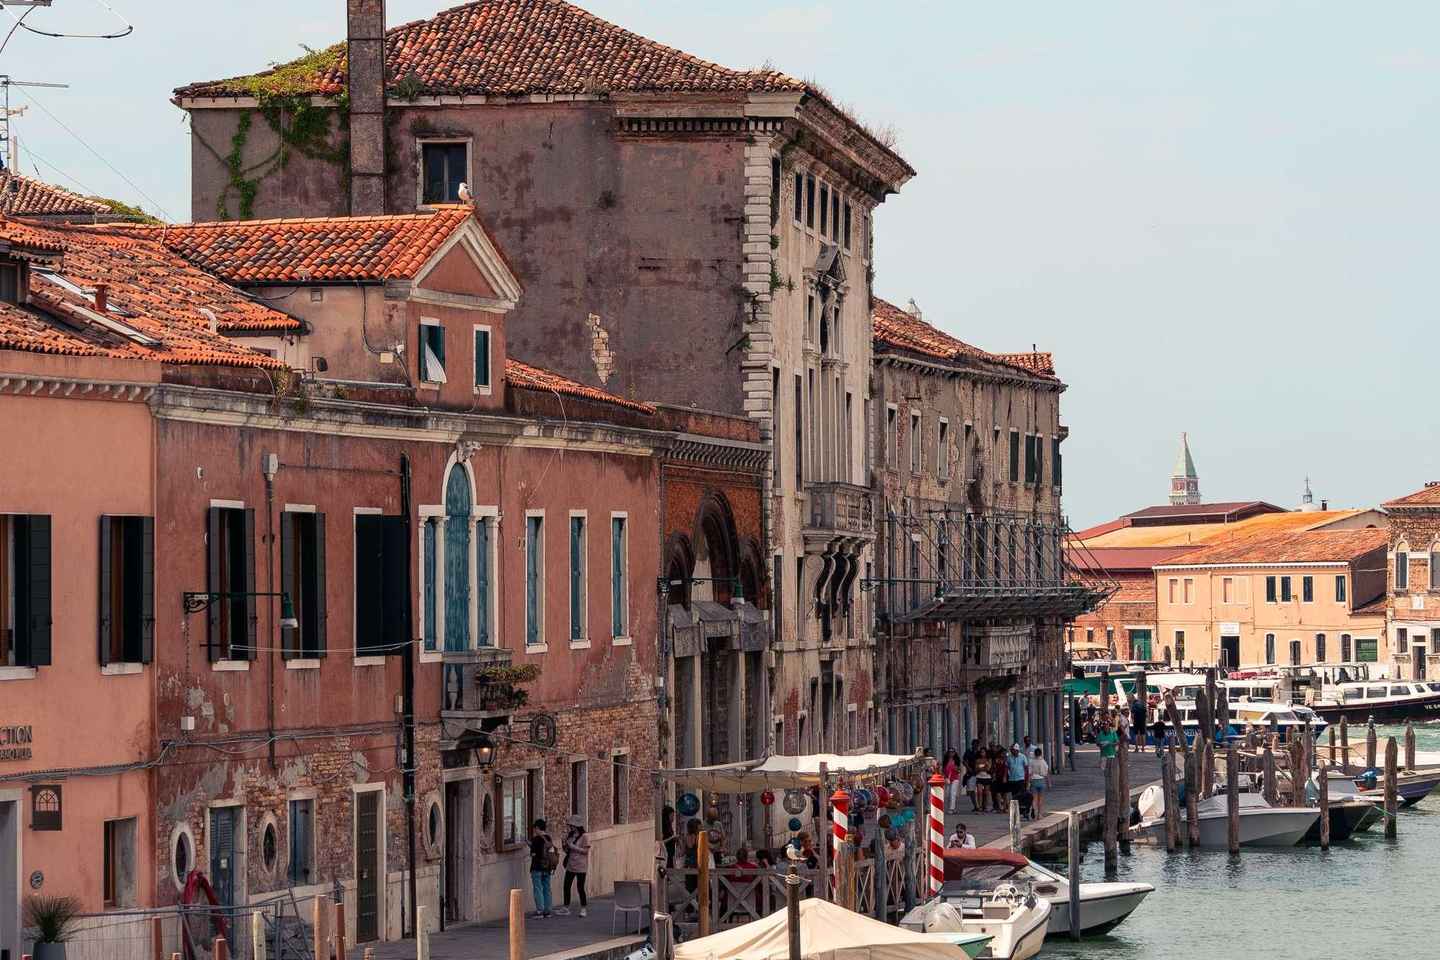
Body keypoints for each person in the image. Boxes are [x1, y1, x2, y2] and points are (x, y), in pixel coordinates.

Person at [555, 816, 590, 917]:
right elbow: (567, 851)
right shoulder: (570, 835)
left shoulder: (584, 836)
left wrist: (573, 846)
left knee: (580, 887)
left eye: (572, 825)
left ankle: (583, 908)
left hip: (581, 866)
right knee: (566, 886)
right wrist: (564, 844)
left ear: (577, 825)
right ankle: (566, 907)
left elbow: (586, 851)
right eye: (570, 825)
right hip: (570, 865)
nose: (571, 827)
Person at [529, 819, 557, 918]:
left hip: (537, 867)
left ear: (537, 828)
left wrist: (531, 847)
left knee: (538, 889)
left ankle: (540, 911)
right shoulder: (548, 838)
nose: (534, 830)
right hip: (547, 868)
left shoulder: (536, 839)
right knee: (547, 888)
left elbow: (533, 854)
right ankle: (547, 910)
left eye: (535, 828)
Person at [1029, 747, 1050, 818]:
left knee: (1034, 798)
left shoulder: (1032, 761)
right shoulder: (1043, 761)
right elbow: (1046, 773)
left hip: (1034, 781)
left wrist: (1028, 782)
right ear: (1041, 754)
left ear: (1034, 754)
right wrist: (1049, 783)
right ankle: (1039, 814)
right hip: (1041, 781)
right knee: (1040, 799)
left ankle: (1034, 812)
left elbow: (1029, 773)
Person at [944, 750, 963, 814]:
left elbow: (959, 770)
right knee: (948, 793)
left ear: (955, 753)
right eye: (950, 752)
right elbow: (943, 770)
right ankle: (952, 808)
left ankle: (951, 808)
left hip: (955, 778)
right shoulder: (946, 761)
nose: (951, 753)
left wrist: (957, 769)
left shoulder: (956, 761)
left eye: (952, 752)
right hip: (947, 779)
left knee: (953, 793)